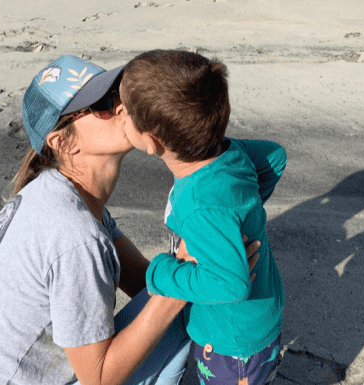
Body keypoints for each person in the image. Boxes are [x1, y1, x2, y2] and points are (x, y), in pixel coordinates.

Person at [0, 54, 261, 385]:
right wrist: (188, 282)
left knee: (182, 293)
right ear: (63, 143)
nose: (122, 105)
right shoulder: (73, 233)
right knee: (178, 305)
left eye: (117, 93)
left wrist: (201, 272)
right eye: (103, 104)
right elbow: (99, 378)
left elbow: (142, 282)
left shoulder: (60, 196)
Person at [119, 50, 287, 385]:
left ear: (152, 142)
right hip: (255, 321)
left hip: (232, 343)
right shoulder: (228, 154)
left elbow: (230, 283)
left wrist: (161, 273)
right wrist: (242, 214)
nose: (119, 114)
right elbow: (275, 156)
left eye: (125, 112)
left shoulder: (201, 206)